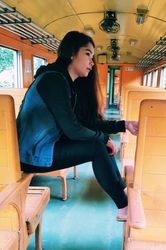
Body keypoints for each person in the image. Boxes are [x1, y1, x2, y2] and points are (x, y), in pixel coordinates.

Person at [17, 31, 138, 221]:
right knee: (97, 147)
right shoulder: (53, 80)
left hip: (45, 147)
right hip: (31, 153)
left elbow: (86, 123)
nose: (92, 62)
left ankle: (122, 189)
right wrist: (104, 138)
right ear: (72, 53)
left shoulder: (67, 83)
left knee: (99, 145)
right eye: (88, 54)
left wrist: (124, 125)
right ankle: (124, 206)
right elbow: (73, 129)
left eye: (93, 56)